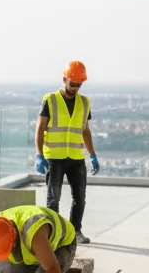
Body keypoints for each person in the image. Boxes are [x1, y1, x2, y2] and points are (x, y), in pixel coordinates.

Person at [35, 60, 100, 244]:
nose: (75, 88)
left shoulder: (84, 102)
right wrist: (39, 155)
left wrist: (93, 155)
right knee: (53, 199)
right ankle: (53, 235)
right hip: (54, 158)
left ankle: (75, 232)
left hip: (76, 158)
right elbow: (40, 128)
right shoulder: (51, 100)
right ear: (65, 79)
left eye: (78, 85)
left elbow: (85, 130)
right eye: (72, 84)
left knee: (79, 198)